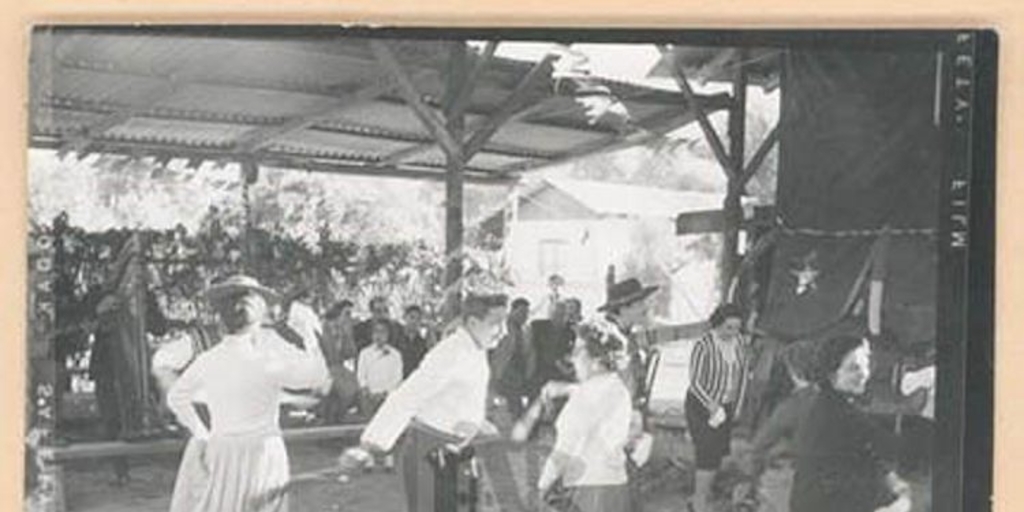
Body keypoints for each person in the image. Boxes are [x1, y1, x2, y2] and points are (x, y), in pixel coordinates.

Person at [166, 275, 329, 512]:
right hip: (263, 452)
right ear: (257, 319)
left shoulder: (209, 360)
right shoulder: (268, 360)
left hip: (222, 450)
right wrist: (309, 333)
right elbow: (317, 376)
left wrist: (201, 433)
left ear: (223, 320)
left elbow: (176, 397)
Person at [347, 293, 509, 512]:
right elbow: (407, 397)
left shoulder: (476, 349)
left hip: (460, 452)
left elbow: (460, 397)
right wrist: (369, 445)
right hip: (430, 453)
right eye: (496, 324)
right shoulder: (450, 353)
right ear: (472, 322)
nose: (504, 331)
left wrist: (476, 421)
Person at [790, 336, 911, 512]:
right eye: (854, 368)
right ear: (832, 375)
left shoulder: (828, 402)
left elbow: (864, 452)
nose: (864, 374)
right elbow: (891, 447)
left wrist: (887, 476)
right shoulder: (839, 412)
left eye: (866, 365)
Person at [534, 318, 639, 512]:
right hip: (616, 485)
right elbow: (596, 397)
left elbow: (564, 451)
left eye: (577, 351)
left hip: (587, 490)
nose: (571, 357)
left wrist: (542, 486)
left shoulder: (584, 397)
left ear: (596, 362)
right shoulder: (618, 388)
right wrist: (568, 389)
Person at [740, 340, 818, 512]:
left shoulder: (793, 406)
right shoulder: (840, 401)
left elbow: (758, 448)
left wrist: (752, 476)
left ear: (792, 371)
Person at [686, 304, 749, 512]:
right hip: (702, 406)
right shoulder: (703, 345)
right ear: (717, 325)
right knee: (707, 453)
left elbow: (741, 376)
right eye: (728, 328)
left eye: (737, 328)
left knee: (719, 452)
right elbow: (695, 382)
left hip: (726, 406)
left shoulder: (739, 342)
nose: (733, 333)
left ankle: (701, 494)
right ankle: (699, 503)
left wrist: (736, 406)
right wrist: (712, 406)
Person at [356, 319, 404, 470]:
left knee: (386, 427)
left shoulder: (395, 355)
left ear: (388, 335)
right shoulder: (365, 353)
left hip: (386, 397)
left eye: (383, 332)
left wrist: (386, 393)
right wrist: (365, 389)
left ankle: (387, 458)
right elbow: (361, 374)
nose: (379, 336)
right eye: (376, 332)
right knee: (369, 426)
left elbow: (397, 378)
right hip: (369, 395)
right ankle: (368, 458)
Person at [319, 300, 359, 424]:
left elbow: (352, 353)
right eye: (347, 314)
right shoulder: (322, 330)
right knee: (340, 382)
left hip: (337, 372)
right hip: (322, 371)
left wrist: (346, 334)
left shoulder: (344, 332)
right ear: (338, 314)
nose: (350, 318)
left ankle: (336, 424)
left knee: (348, 382)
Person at [399, 305, 434, 378]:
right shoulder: (396, 338)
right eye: (412, 317)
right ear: (405, 317)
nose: (414, 321)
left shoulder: (422, 344)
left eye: (418, 319)